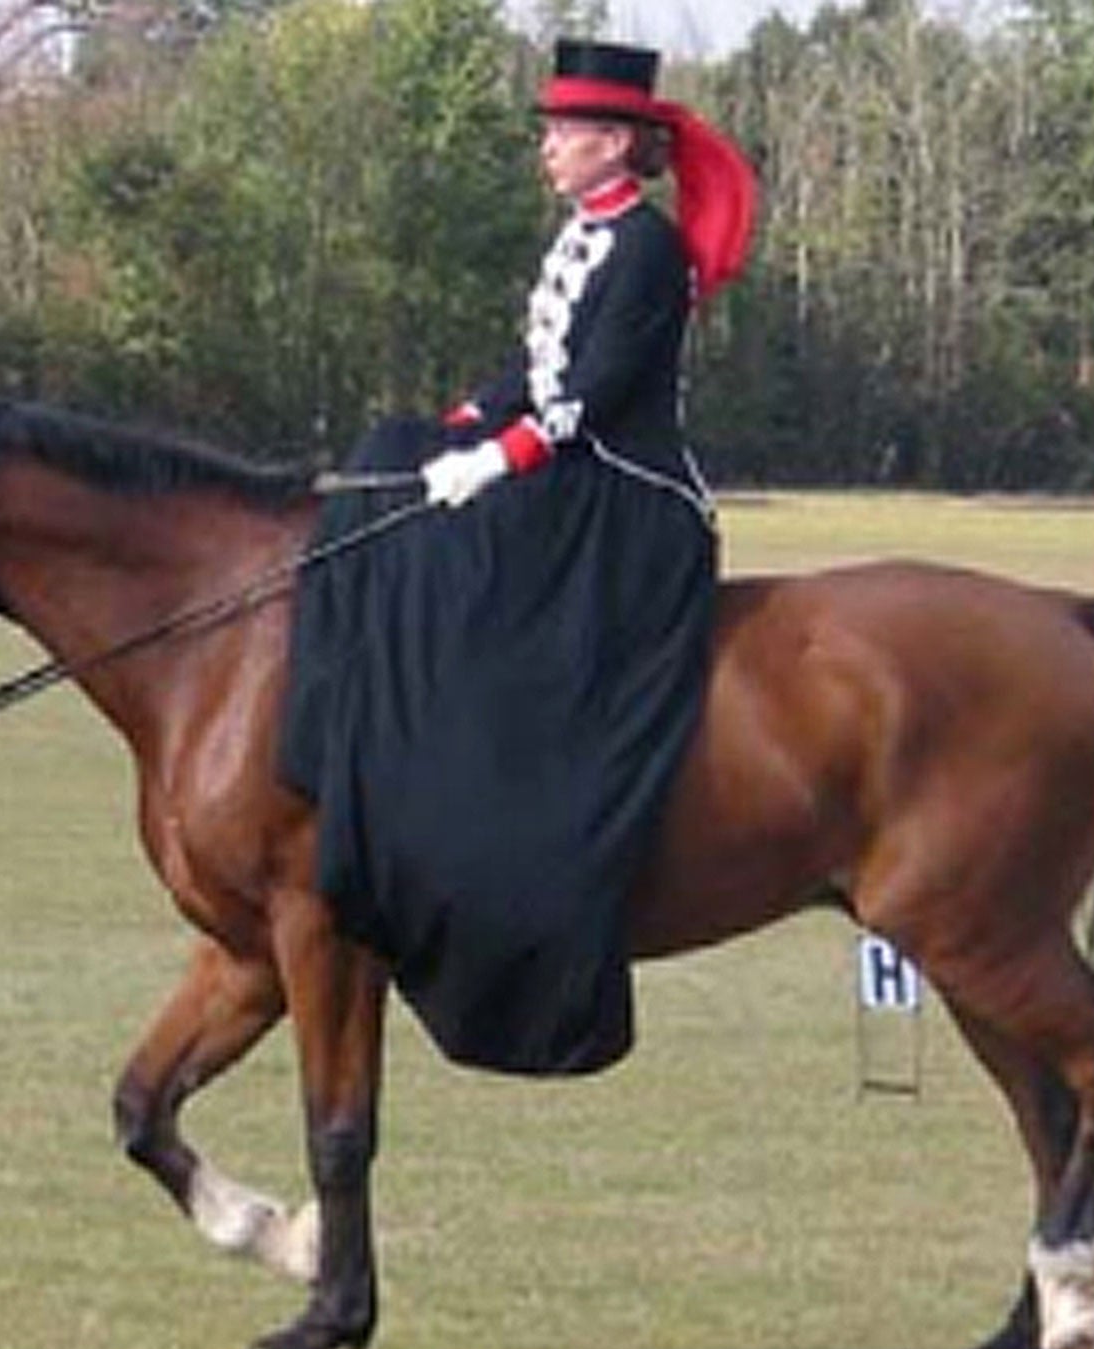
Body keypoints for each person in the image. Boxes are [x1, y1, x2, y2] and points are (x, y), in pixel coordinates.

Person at [279, 38, 758, 1075]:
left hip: (628, 499)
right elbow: (531, 368)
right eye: (546, 131)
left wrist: (492, 462)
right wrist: (457, 428)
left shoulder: (645, 252)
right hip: (569, 464)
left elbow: (586, 398)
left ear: (615, 143)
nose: (545, 148)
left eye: (561, 132)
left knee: (456, 535)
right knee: (391, 451)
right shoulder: (582, 232)